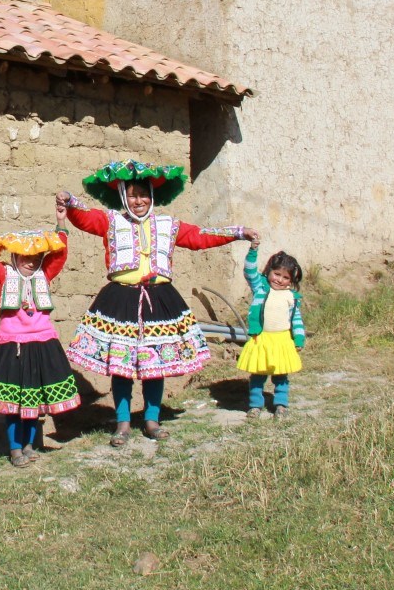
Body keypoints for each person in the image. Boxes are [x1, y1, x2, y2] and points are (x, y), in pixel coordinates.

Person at [58, 160, 258, 446]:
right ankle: (123, 422)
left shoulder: (168, 226)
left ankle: (151, 419)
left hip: (159, 301)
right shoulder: (111, 221)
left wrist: (238, 232)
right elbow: (84, 218)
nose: (138, 201)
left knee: (156, 363)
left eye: (143, 195)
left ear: (152, 196)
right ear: (123, 196)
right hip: (121, 300)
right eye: (132, 195)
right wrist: (69, 200)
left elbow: (200, 237)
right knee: (122, 366)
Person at [0, 200, 82, 466]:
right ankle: (14, 449)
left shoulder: (45, 275)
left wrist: (60, 224)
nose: (31, 263)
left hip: (41, 344)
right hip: (13, 347)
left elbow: (60, 255)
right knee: (13, 402)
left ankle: (30, 445)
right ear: (15, 257)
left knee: (34, 399)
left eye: (35, 259)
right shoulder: (3, 275)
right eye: (25, 258)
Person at [238, 248, 305, 421]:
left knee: (281, 375)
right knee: (258, 374)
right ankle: (255, 405)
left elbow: (296, 320)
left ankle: (281, 405)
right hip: (262, 339)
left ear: (291, 280)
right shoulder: (260, 288)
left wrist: (299, 338)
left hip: (282, 340)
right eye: (277, 274)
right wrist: (253, 250)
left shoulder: (291, 297)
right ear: (269, 271)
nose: (280, 280)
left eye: (286, 277)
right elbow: (249, 270)